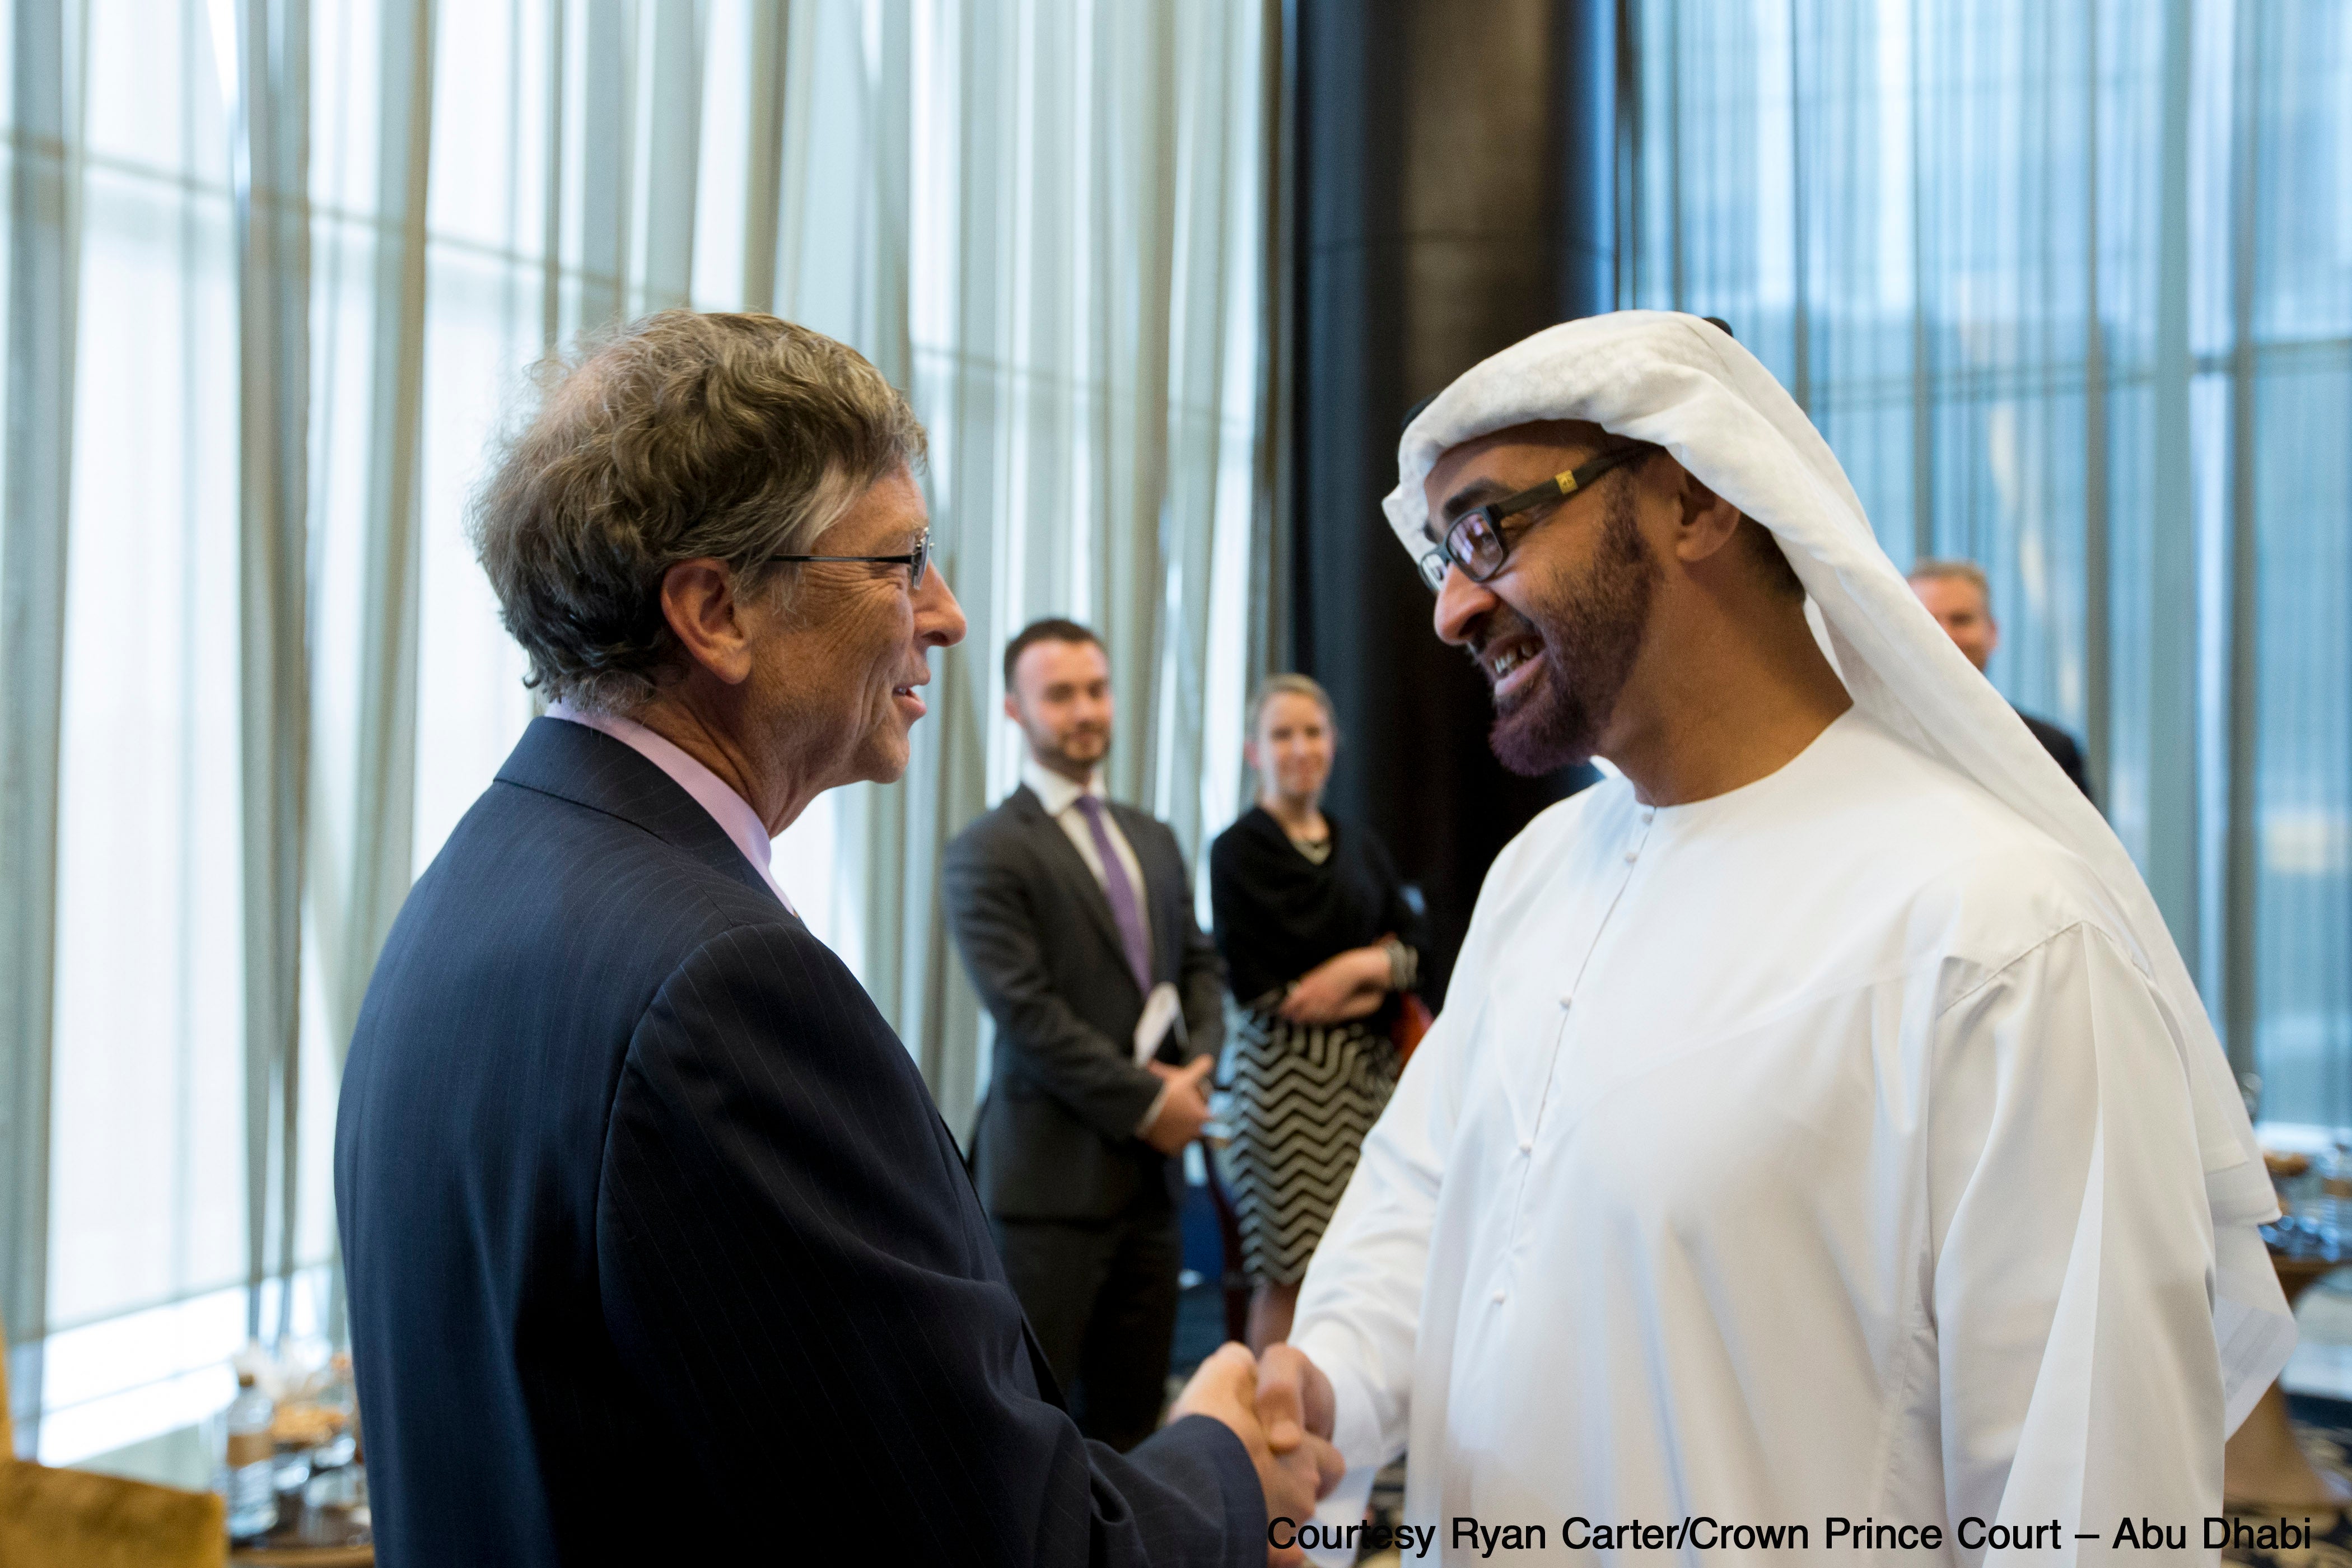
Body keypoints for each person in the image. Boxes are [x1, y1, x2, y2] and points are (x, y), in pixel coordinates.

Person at [1252, 312, 2294, 1548]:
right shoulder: (1536, 874)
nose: (1451, 610)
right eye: (1444, 555)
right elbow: (1428, 1203)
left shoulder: (1999, 932)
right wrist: (1327, 1382)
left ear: (1695, 499)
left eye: (1490, 531)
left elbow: (2091, 1496)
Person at [334, 312, 1334, 1567]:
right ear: (717, 610)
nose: (947, 615)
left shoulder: (475, 883)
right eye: (901, 562)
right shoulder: (720, 990)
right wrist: (1227, 1466)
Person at [943, 620, 1228, 1455]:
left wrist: (1199, 1069)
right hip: (1049, 1195)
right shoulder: (985, 851)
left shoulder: (1153, 836)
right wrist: (1150, 1103)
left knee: (1133, 1434)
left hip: (1153, 1192)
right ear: (1015, 709)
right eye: (1060, 694)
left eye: (1096, 690)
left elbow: (1199, 964)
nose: (1085, 710)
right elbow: (1027, 1014)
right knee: (1029, 1435)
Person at [1207, 674, 1422, 1352]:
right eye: (1282, 734)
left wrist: (1353, 971)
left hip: (1369, 1084)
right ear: (1253, 751)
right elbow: (1270, 990)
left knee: (1367, 1268)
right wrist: (1378, 969)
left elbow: (1419, 949)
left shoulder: (1360, 844)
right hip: (1285, 1095)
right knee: (1291, 1276)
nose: (1300, 748)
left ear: (1334, 743)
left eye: (1313, 732)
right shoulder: (1237, 851)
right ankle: (1272, 1415)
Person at [1908, 556, 2096, 802]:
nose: (1946, 635)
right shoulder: (1870, 740)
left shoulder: (2050, 751)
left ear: (1993, 633)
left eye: (1961, 620)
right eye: (1927, 620)